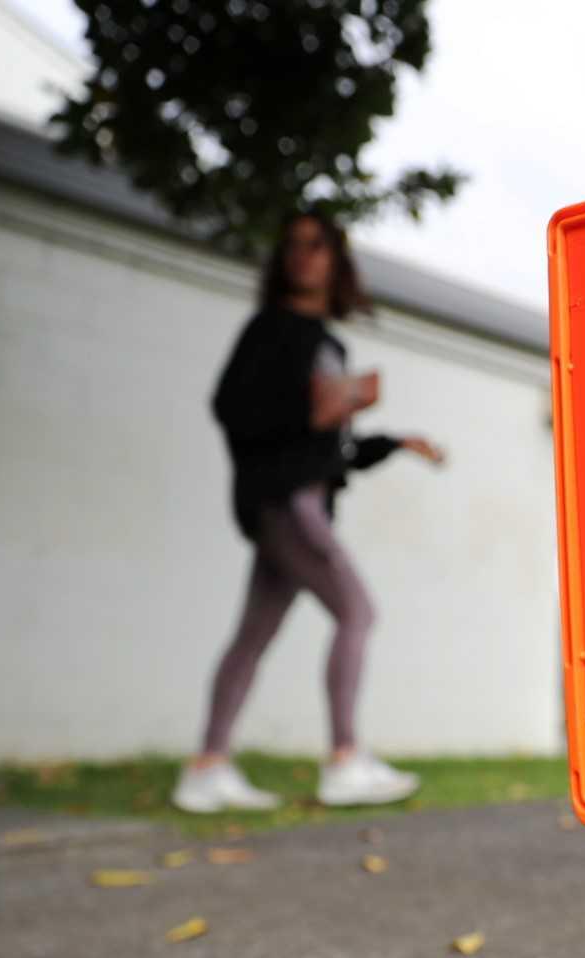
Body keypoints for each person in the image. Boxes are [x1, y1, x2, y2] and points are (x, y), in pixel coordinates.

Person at [173, 209, 446, 813]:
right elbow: (233, 410)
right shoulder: (270, 330)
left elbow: (330, 448)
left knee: (252, 637)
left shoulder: (328, 342)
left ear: (336, 260)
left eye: (317, 245)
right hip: (286, 503)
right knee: (358, 611)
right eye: (294, 245)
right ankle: (345, 759)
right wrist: (309, 412)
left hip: (307, 497)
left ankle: (207, 768)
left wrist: (395, 443)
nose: (304, 255)